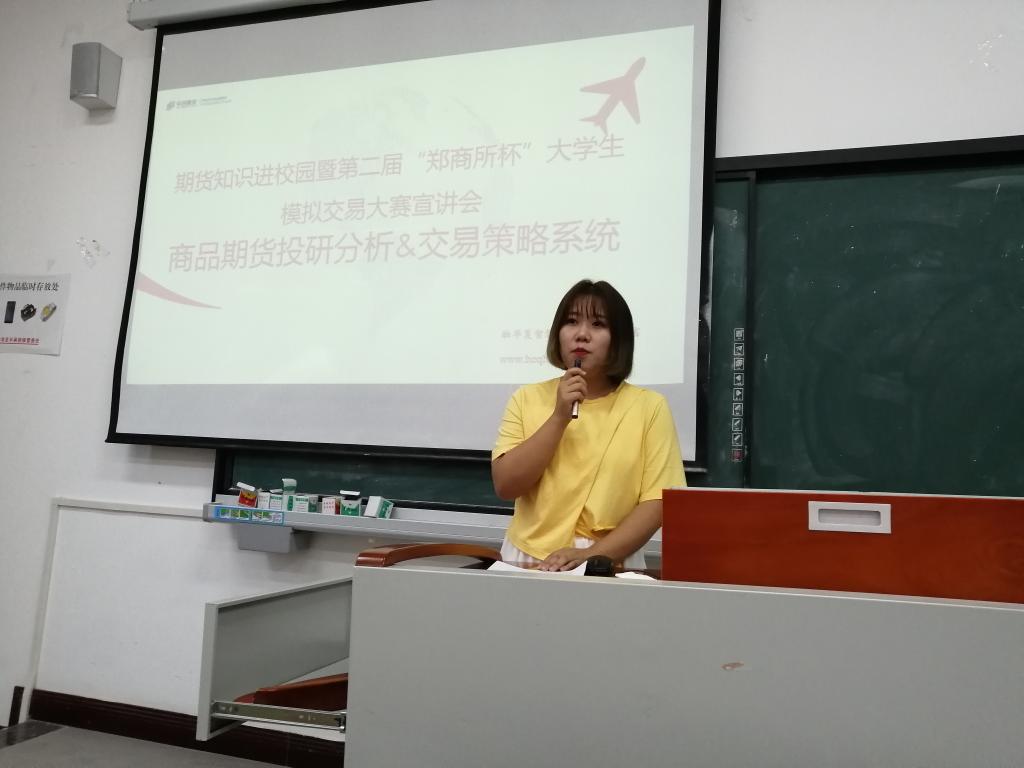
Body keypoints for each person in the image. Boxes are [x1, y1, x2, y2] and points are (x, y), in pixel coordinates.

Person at [491, 279, 686, 571]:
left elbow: (658, 502)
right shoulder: (526, 398)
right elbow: (506, 485)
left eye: (598, 324)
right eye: (571, 322)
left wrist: (593, 555)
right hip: (528, 557)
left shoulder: (649, 407)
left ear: (618, 339)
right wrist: (559, 416)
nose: (581, 335)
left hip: (611, 560)